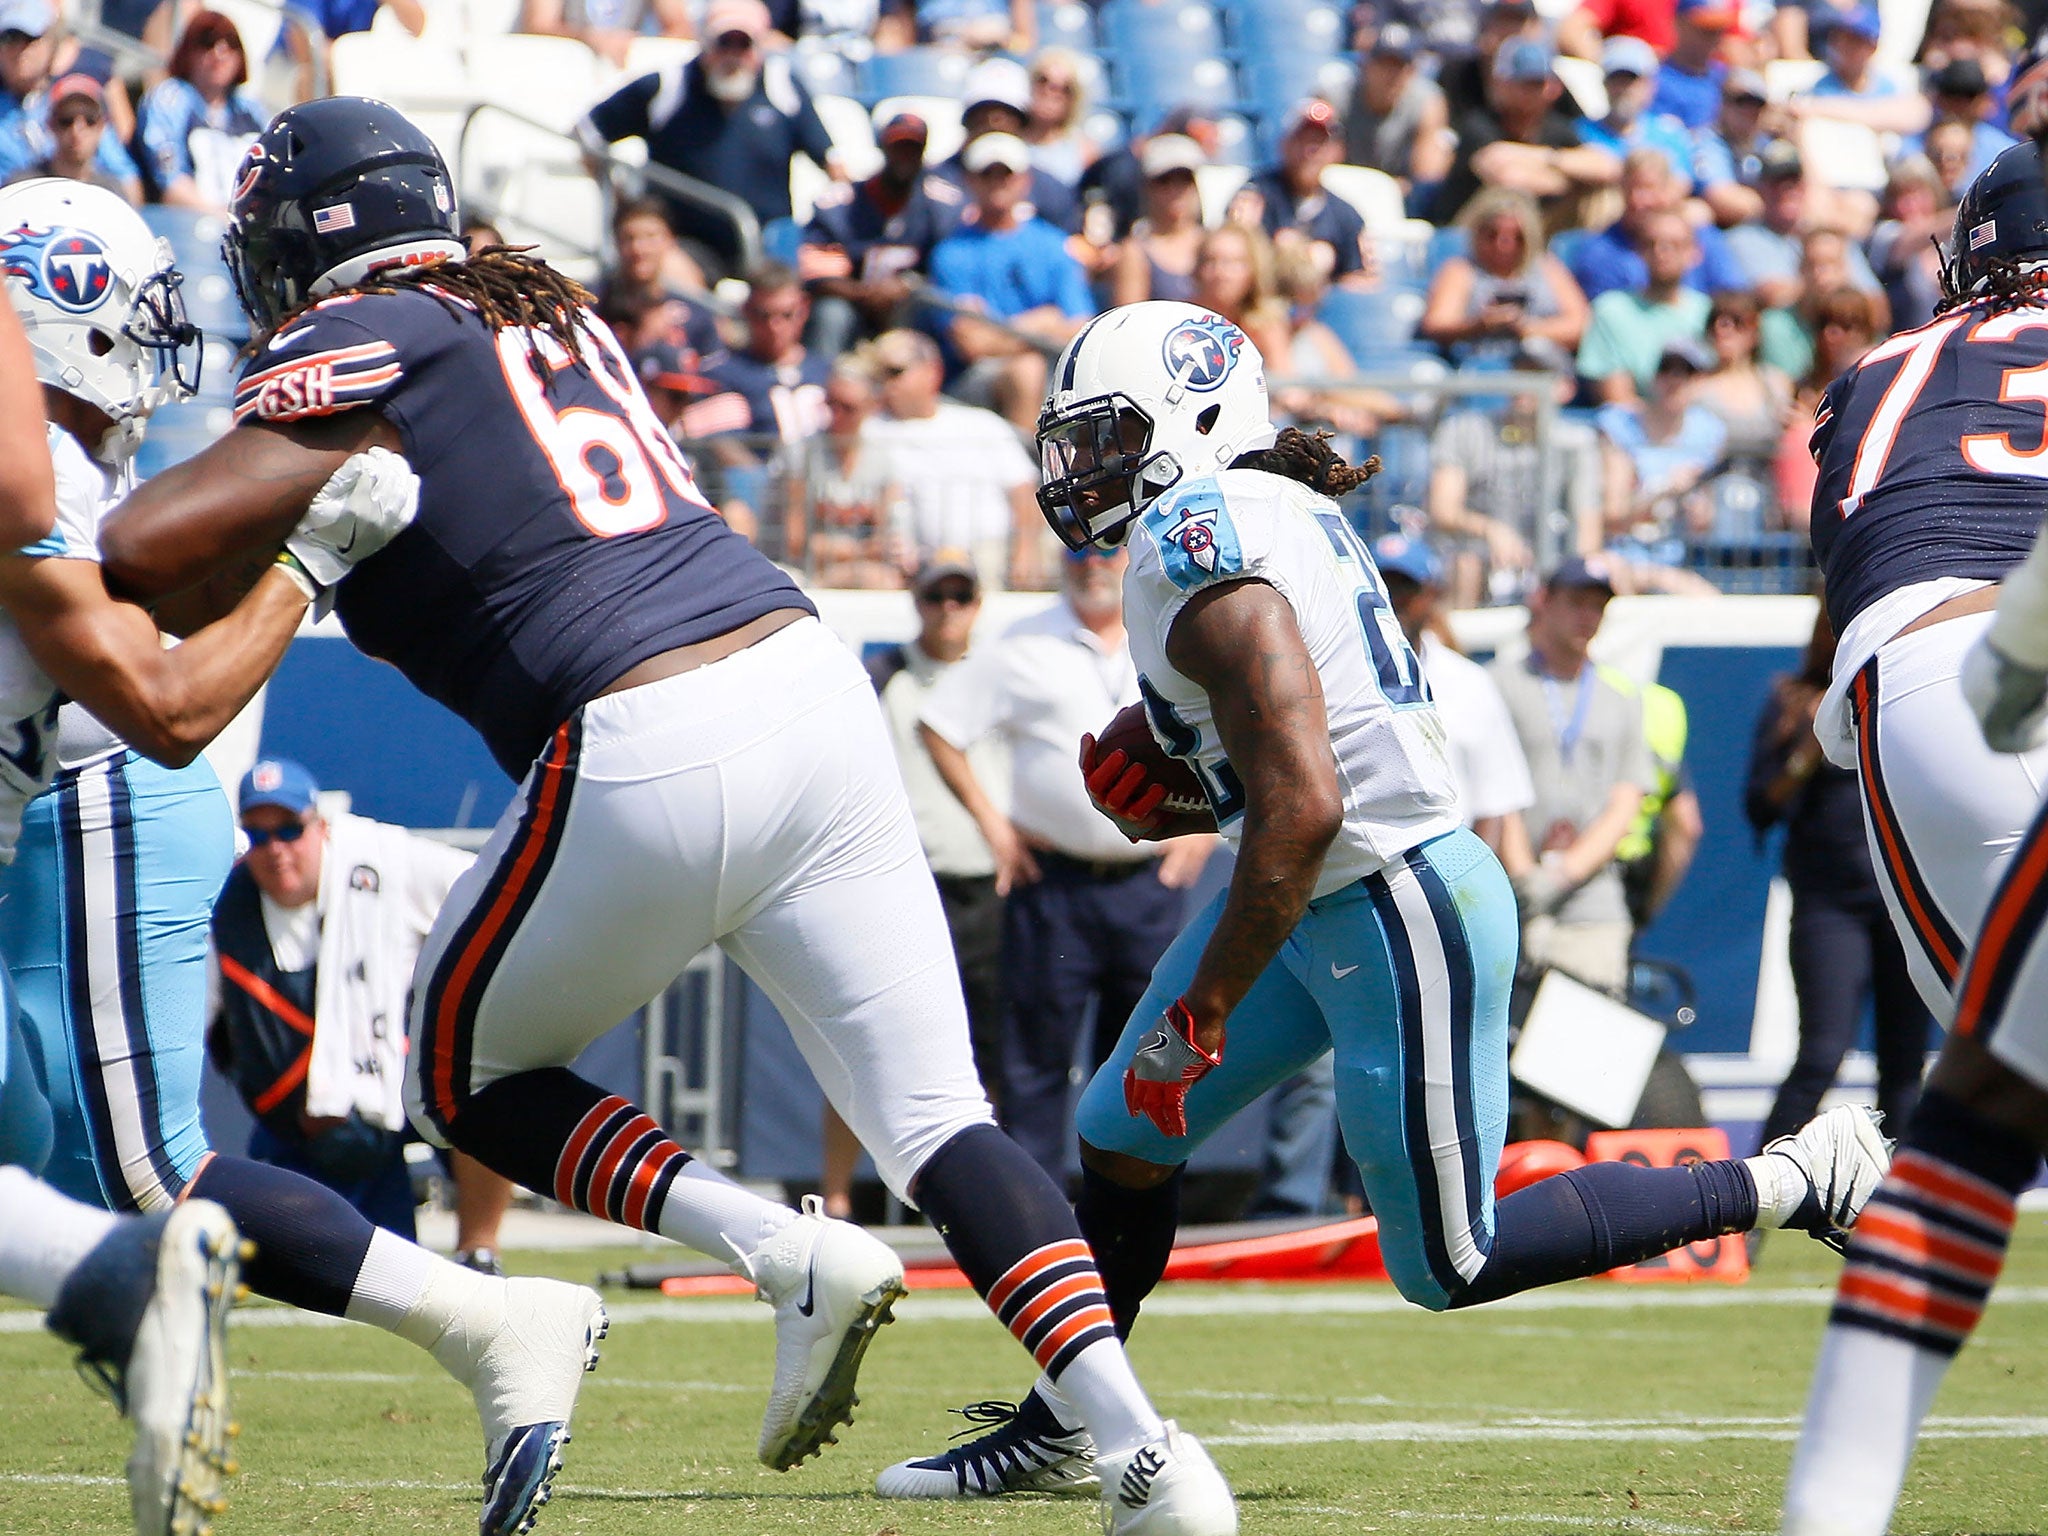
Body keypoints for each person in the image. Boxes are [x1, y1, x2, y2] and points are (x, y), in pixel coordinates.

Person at [98, 98, 1239, 1536]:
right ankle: (1148, 1457)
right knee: (940, 1121)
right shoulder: (537, 304)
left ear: (309, 238)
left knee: (461, 1071)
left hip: (642, 717)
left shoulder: (371, 332)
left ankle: (770, 1245)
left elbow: (145, 546)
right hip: (806, 681)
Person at [877, 300, 1890, 1502]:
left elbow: (1306, 803)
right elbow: (1292, 776)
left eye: (1104, 435)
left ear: (1190, 421)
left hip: (1392, 907)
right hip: (1316, 891)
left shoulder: (1194, 538)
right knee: (1120, 1135)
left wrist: (1198, 1010)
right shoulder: (1263, 511)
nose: (1080, 466)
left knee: (1450, 1262)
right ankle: (1067, 1419)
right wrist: (1179, 783)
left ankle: (1788, 1176)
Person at [0, 178, 608, 1536]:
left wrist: (306, 562)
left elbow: (161, 708)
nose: (160, 337)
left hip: (92, 798)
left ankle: (478, 1322)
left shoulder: (56, 490)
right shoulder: (59, 478)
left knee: (149, 1172)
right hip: (58, 806)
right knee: (36, 1145)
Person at [1779, 140, 2048, 1536]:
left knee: (1978, 1118)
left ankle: (1834, 1512)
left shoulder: (1885, 368)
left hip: (1945, 673)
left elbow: (1865, 546)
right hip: (1997, 647)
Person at [0, 281, 242, 1536]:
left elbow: (23, 496)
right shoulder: (73, 495)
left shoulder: (49, 485)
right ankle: (109, 1273)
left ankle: (115, 1274)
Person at [917, 544, 1213, 1180]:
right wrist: (996, 828)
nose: (1094, 563)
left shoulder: (1167, 629)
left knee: (1144, 1055)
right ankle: (1037, 1219)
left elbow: (1227, 726)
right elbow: (940, 725)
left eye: (1108, 549)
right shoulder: (1022, 640)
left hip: (1148, 884)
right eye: (1079, 550)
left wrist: (1207, 831)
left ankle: (1127, 1210)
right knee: (1035, 1062)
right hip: (1054, 884)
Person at [210, 758, 516, 1267]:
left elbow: (490, 893)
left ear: (320, 826)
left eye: (289, 829)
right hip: (303, 1124)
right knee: (315, 1270)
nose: (277, 850)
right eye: (259, 836)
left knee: (485, 1104)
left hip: (405, 1081)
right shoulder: (224, 905)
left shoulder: (384, 861)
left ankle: (479, 1253)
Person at [1746, 608, 1931, 1149]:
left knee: (1903, 1065)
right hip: (1830, 900)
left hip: (1900, 898)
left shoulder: (1902, 686)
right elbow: (1759, 806)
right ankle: (1748, 1205)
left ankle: (1899, 1212)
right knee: (1823, 1052)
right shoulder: (1793, 701)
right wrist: (1807, 753)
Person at [575, 0, 842, 281]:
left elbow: (831, 160)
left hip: (767, 248)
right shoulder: (670, 86)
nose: (733, 55)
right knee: (672, 282)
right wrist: (624, 200)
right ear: (705, 43)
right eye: (724, 43)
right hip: (687, 246)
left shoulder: (782, 87)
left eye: (744, 44)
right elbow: (589, 131)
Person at [1374, 532, 1536, 856]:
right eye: (1379, 586)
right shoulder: (1330, 671)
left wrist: (1468, 885)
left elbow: (1495, 801)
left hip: (1448, 865)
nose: (1391, 600)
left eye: (1405, 590)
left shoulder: (1469, 682)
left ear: (1432, 594)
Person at [926, 130, 1093, 438]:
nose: (997, 182)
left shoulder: (1051, 244)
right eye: (986, 174)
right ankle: (1030, 475)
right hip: (975, 380)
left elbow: (1078, 328)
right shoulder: (951, 253)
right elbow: (971, 344)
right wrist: (1042, 322)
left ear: (1024, 181)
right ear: (970, 181)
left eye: (1005, 174)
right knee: (1026, 370)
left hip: (1052, 371)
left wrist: (998, 330)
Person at [859, 326, 1042, 589]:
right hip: (914, 571)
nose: (887, 383)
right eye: (879, 375)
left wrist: (1025, 551)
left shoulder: (981, 424)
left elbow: (1023, 489)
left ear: (932, 372)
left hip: (991, 559)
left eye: (896, 372)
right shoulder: (868, 432)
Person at [799, 112, 963, 353]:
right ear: (883, 148)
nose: (904, 157)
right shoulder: (843, 205)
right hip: (853, 306)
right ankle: (820, 381)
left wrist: (907, 287)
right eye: (898, 148)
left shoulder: (941, 206)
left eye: (912, 149)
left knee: (929, 310)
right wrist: (868, 294)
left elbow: (950, 272)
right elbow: (819, 278)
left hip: (911, 308)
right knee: (831, 314)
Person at [1428, 36, 1619, 228]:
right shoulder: (1479, 125)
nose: (1533, 92)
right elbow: (1509, 179)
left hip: (1534, 229)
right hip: (1472, 235)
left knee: (1602, 196)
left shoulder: (1556, 126)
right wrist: (1574, 181)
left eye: (1539, 83)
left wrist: (1545, 158)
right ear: (1501, 83)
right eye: (1525, 83)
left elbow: (1607, 167)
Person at [1417, 185, 1588, 367]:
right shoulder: (1461, 270)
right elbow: (1437, 323)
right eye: (1493, 235)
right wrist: (1481, 325)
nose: (1503, 245)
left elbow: (1580, 324)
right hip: (1479, 363)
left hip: (1543, 364)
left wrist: (1526, 329)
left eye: (1516, 237)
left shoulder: (1548, 268)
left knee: (1535, 350)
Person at [1596, 335, 1729, 556]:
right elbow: (1612, 516)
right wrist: (1663, 491)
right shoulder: (1619, 426)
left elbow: (1708, 519)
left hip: (1683, 554)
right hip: (1626, 553)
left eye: (1687, 372)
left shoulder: (1710, 431)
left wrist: (1701, 512)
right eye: (1666, 369)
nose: (1675, 380)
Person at [1566, 149, 1749, 303]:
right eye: (1631, 190)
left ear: (1668, 190)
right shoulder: (1600, 250)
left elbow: (1732, 296)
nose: (1639, 200)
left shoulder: (1703, 237)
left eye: (1648, 189)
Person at [0, 0, 144, 196]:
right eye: (9, 38)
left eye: (30, 38)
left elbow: (127, 179)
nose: (20, 50)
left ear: (50, 42)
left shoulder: (74, 103)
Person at [790, 357, 907, 587]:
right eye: (831, 404)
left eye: (848, 407)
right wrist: (860, 550)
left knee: (886, 582)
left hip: (864, 569)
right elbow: (795, 541)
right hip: (807, 570)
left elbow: (886, 539)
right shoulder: (801, 454)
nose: (836, 415)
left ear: (872, 407)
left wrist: (842, 551)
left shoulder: (883, 458)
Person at [1576, 208, 1712, 403]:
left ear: (1695, 253)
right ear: (1639, 251)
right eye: (1652, 243)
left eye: (1674, 244)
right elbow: (1618, 400)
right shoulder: (1611, 310)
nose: (1662, 252)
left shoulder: (1710, 313)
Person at [136, 10, 263, 212]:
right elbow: (171, 183)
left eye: (230, 44)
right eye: (208, 43)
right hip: (187, 226)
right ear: (188, 51)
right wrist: (223, 217)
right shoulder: (169, 99)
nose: (219, 53)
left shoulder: (250, 108)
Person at [1235, 99, 1371, 287]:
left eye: (1319, 142)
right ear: (1285, 144)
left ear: (1336, 152)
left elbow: (1359, 279)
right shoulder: (1257, 195)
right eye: (1303, 140)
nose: (1311, 151)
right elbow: (1234, 259)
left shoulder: (1345, 214)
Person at [1341, 23, 1452, 201]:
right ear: (1366, 65)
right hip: (1342, 195)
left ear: (1412, 71)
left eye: (1399, 66)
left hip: (1399, 200)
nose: (1391, 75)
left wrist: (1386, 190)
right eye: (1384, 64)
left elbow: (1428, 177)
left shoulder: (1426, 101)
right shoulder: (1339, 95)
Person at [1578, 35, 1695, 190]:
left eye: (1631, 80)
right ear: (1604, 83)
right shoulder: (1581, 131)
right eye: (1616, 79)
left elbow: (1680, 185)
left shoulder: (1669, 133)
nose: (1623, 89)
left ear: (1650, 85)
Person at [1110, 133, 1206, 308]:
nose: (1175, 191)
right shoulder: (1135, 252)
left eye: (1184, 181)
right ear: (1147, 188)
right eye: (1164, 182)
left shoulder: (1214, 244)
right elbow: (1128, 321)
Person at [5, 74, 130, 198]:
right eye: (66, 120)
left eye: (89, 119)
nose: (77, 130)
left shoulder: (111, 192)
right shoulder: (22, 188)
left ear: (102, 126)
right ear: (50, 125)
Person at [517, 0, 691, 67]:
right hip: (560, 74)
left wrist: (639, 51)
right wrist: (589, 39)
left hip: (622, 80)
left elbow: (680, 29)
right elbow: (537, 25)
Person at [1021, 48, 1095, 190]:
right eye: (1043, 80)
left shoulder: (1084, 151)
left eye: (1064, 88)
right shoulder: (1009, 140)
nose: (1050, 92)